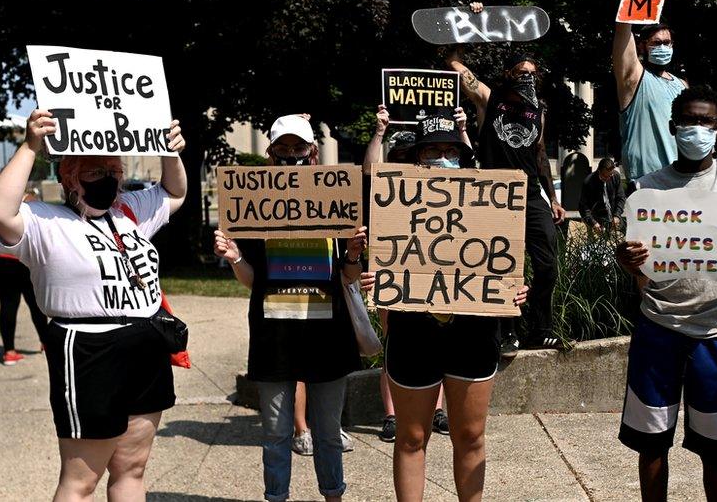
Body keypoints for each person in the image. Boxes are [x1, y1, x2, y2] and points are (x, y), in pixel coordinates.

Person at [0, 109, 186, 500]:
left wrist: (169, 151)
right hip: (89, 350)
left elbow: (174, 192)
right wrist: (31, 146)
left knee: (132, 468)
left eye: (113, 170)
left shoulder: (127, 211)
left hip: (145, 342)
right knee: (81, 481)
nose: (107, 179)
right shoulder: (45, 221)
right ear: (70, 179)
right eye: (95, 173)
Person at [360, 113, 529, 502]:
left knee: (470, 435)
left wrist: (515, 288)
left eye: (451, 149)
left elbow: (506, 263)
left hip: (473, 333)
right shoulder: (396, 200)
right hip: (412, 332)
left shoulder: (489, 199)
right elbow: (371, 183)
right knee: (412, 436)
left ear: (463, 155)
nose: (442, 156)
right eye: (433, 149)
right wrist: (373, 275)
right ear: (417, 156)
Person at [616, 86, 717, 502]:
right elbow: (638, 263)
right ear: (672, 127)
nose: (695, 129)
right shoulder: (647, 189)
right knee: (651, 446)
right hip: (657, 329)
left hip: (716, 335)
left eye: (704, 122)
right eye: (687, 121)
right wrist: (628, 260)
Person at [213, 113, 366, 502]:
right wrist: (233, 256)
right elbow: (252, 281)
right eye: (283, 149)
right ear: (271, 154)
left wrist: (352, 253)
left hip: (327, 334)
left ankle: (333, 496)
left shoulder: (337, 200)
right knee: (276, 434)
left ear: (312, 152)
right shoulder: (256, 206)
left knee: (329, 433)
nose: (291, 155)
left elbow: (348, 278)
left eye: (299, 148)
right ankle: (276, 497)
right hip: (274, 336)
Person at [446, 14, 565, 351]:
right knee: (502, 264)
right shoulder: (489, 99)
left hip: (530, 195)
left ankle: (540, 328)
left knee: (547, 265)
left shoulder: (538, 109)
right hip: (497, 196)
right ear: (507, 76)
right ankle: (507, 331)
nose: (527, 78)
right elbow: (454, 62)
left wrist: (553, 197)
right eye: (520, 73)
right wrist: (471, 26)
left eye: (532, 74)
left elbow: (540, 154)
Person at [364, 105, 457, 443]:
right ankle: (391, 415)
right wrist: (379, 131)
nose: (440, 159)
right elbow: (370, 172)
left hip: (444, 275)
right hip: (399, 272)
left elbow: (478, 171)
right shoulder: (394, 186)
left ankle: (437, 409)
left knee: (442, 338)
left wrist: (462, 131)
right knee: (393, 341)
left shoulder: (456, 178)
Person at [612, 0, 687, 188]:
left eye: (668, 43)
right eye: (657, 43)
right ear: (643, 46)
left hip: (682, 181)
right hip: (647, 184)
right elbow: (623, 37)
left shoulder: (681, 85)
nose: (664, 47)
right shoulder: (635, 79)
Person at [0, 189, 49, 365]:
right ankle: (47, 342)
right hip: (20, 257)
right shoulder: (31, 200)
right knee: (36, 304)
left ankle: (9, 352)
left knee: (7, 303)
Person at [578, 156, 626, 235]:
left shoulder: (615, 176)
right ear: (599, 171)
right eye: (604, 176)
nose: (607, 178)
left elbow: (621, 197)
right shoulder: (588, 182)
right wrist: (593, 223)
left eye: (609, 175)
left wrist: (617, 215)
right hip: (596, 221)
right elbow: (583, 206)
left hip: (613, 220)